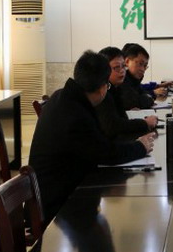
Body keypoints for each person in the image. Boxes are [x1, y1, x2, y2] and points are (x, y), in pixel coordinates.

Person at [29, 50, 155, 220]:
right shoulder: (76, 114)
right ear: (103, 88)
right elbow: (106, 153)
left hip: (58, 188)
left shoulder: (63, 96)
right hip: (57, 205)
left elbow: (99, 143)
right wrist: (140, 146)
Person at [95, 46, 158, 140]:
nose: (122, 71)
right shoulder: (102, 93)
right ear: (103, 70)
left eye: (123, 66)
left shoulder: (115, 88)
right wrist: (145, 123)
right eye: (117, 67)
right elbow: (113, 126)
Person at [119, 43, 159, 110]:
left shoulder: (134, 80)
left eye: (145, 66)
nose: (142, 69)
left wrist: (148, 97)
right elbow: (134, 102)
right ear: (127, 61)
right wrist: (149, 99)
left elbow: (144, 93)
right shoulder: (122, 79)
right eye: (140, 64)